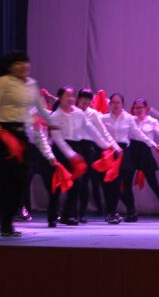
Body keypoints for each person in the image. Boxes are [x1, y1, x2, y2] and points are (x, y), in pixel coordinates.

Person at [0, 51, 55, 237]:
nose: (23, 66)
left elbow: (41, 109)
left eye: (25, 62)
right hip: (2, 134)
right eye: (18, 63)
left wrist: (53, 123)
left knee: (19, 183)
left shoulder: (32, 85)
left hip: (21, 137)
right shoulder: (4, 82)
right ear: (10, 67)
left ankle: (7, 224)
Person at [48, 87, 118, 226]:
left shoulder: (79, 114)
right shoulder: (55, 116)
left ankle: (68, 215)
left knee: (76, 184)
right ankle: (52, 216)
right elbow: (58, 139)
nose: (70, 99)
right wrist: (72, 155)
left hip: (76, 147)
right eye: (67, 96)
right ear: (60, 98)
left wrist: (106, 145)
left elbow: (92, 130)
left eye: (72, 96)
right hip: (61, 150)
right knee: (58, 184)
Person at [101, 93, 156, 224]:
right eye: (113, 102)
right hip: (109, 152)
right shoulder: (104, 118)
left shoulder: (128, 118)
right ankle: (111, 212)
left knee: (121, 184)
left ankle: (121, 212)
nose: (116, 105)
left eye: (118, 102)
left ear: (123, 104)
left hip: (123, 152)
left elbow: (138, 133)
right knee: (109, 184)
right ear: (110, 104)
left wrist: (151, 143)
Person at [130, 98, 159, 222]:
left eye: (141, 107)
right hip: (132, 152)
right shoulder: (131, 120)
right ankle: (131, 212)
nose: (138, 110)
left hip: (145, 152)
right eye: (136, 107)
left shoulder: (152, 121)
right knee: (126, 183)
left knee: (154, 184)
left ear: (146, 108)